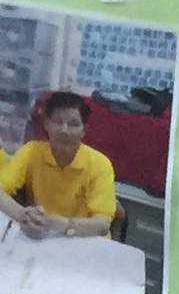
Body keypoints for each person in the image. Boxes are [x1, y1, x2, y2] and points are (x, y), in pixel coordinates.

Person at [0, 96, 114, 237]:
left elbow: (102, 224)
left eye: (73, 124)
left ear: (84, 130)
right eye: (58, 122)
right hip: (43, 236)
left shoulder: (99, 164)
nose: (64, 130)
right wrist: (23, 215)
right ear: (47, 124)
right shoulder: (31, 151)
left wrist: (62, 224)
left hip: (84, 239)